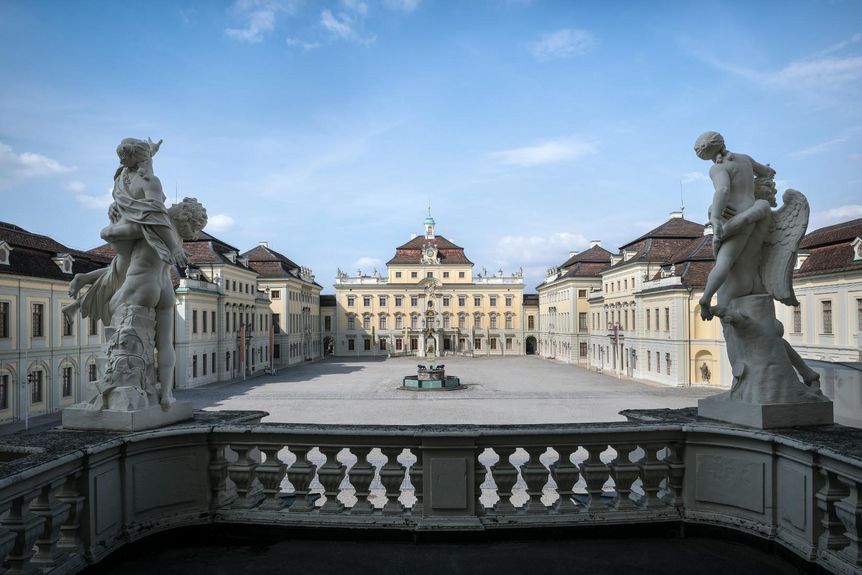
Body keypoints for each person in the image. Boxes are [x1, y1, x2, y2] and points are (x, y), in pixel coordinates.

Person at [694, 131, 776, 320]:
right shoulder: (745, 159)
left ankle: (706, 298)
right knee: (731, 258)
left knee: (725, 260)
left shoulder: (718, 168)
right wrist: (766, 175)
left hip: (734, 217)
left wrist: (714, 216)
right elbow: (768, 173)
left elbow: (722, 189)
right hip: (749, 210)